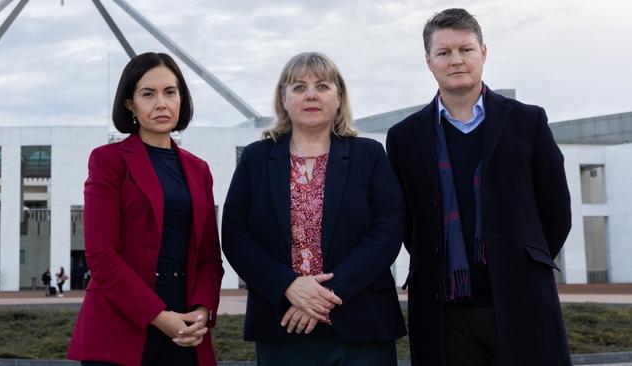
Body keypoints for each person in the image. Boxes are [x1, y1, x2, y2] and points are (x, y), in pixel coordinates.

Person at [386, 8, 572, 366]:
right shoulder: (404, 137)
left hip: (520, 299)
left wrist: (520, 256)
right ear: (429, 61)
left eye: (465, 49)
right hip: (444, 309)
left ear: (483, 53)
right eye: (444, 52)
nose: (456, 60)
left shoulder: (527, 121)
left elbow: (555, 209)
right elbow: (407, 222)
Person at [222, 52, 406, 366]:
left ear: (338, 97)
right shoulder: (256, 158)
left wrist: (326, 293)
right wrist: (288, 286)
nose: (311, 95)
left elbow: (387, 230)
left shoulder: (369, 155)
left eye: (322, 86)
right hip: (282, 322)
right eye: (299, 87)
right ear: (283, 97)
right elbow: (236, 234)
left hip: (362, 325)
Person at [67, 52, 224, 366]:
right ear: (130, 104)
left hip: (187, 323)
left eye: (170, 92)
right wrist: (159, 316)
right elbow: (101, 255)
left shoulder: (199, 170)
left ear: (182, 98)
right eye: (148, 94)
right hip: (122, 321)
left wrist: (203, 312)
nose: (161, 103)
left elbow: (208, 256)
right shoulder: (108, 161)